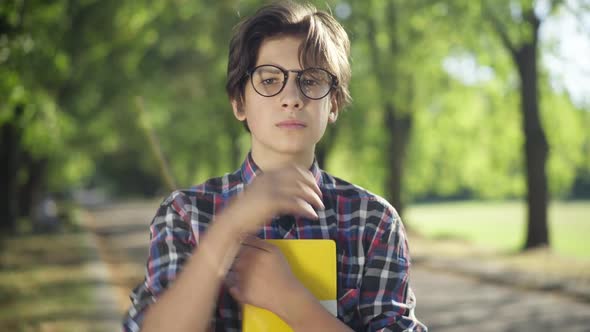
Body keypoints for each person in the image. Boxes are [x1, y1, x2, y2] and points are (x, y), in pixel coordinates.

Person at [123, 1, 427, 331]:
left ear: (334, 103)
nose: (292, 97)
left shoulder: (373, 222)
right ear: (239, 102)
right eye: (269, 81)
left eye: (311, 80)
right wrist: (229, 227)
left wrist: (289, 301)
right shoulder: (185, 213)